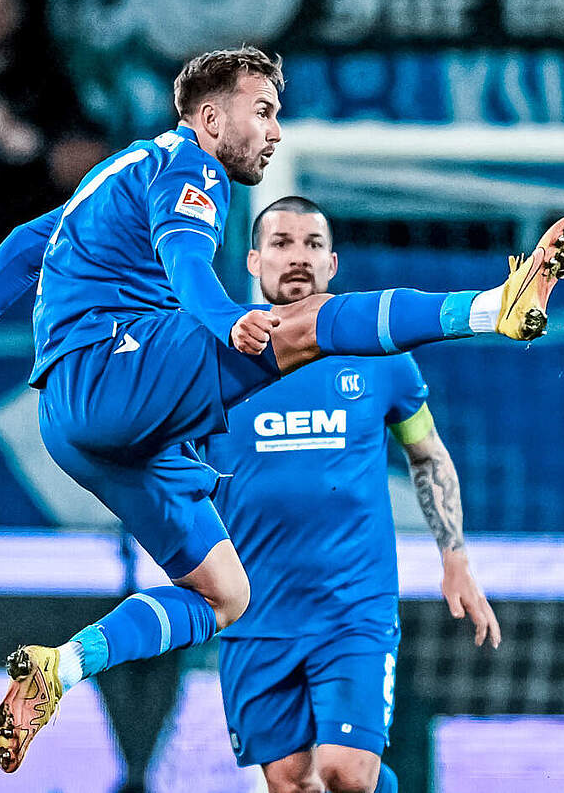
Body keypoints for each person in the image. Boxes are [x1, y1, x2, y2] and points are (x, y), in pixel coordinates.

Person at [0, 46, 564, 774]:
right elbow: (185, 257)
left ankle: (61, 666)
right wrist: (224, 320)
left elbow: (25, 243)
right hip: (114, 369)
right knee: (307, 323)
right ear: (212, 118)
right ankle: (491, 308)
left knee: (224, 595)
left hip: (77, 423)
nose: (276, 131)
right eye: (264, 111)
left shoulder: (120, 171)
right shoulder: (193, 166)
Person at [205, 196, 499, 793]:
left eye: (312, 244)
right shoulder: (214, 356)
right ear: (254, 261)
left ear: (332, 263)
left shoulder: (379, 354)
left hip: (353, 609)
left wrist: (455, 556)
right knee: (291, 783)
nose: (298, 257)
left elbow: (427, 453)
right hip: (255, 611)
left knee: (345, 771)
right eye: (282, 243)